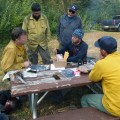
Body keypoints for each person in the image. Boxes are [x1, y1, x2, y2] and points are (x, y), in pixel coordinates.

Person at [81, 36, 120, 117]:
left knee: (84, 99)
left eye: (100, 49)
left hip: (115, 108)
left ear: (103, 51)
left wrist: (101, 61)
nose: (99, 51)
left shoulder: (101, 63)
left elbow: (92, 78)